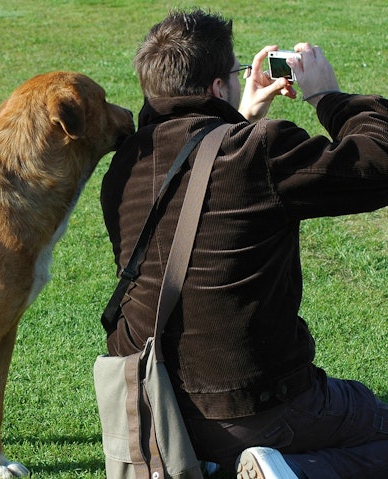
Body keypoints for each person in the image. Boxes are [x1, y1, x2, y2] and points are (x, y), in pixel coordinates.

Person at [100, 8, 388, 479]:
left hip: (157, 407)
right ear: (217, 87)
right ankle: (289, 469)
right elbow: (378, 161)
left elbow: (199, 181)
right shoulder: (259, 151)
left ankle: (220, 466)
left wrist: (238, 118)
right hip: (255, 406)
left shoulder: (125, 164)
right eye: (234, 73)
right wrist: (328, 95)